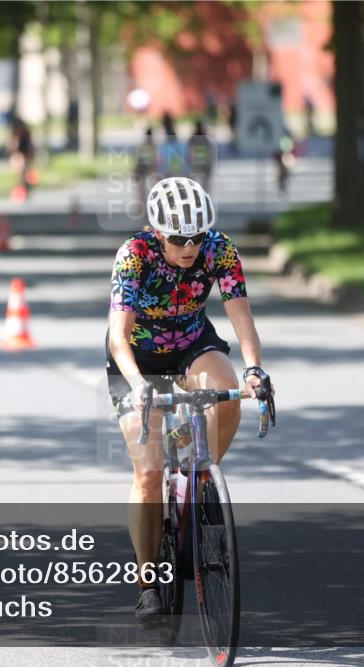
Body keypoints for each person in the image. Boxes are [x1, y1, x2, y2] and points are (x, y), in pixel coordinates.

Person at [106, 177, 273, 623]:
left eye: (197, 237)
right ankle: (147, 584)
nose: (189, 248)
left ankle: (201, 487)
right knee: (148, 471)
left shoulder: (221, 250)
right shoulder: (134, 256)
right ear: (158, 232)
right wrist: (139, 385)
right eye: (179, 239)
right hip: (138, 357)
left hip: (192, 342)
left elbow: (242, 318)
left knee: (229, 394)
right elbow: (118, 338)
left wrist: (255, 368)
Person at [8, 118, 35, 202]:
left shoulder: (26, 134)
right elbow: (12, 147)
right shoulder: (15, 134)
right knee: (19, 174)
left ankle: (24, 189)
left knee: (23, 174)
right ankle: (19, 190)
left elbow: (29, 147)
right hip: (17, 155)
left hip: (24, 155)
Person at [187, 120, 214, 193]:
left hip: (196, 162)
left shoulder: (193, 138)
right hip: (205, 162)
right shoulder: (206, 138)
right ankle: (205, 194)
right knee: (205, 182)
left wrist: (189, 160)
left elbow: (189, 150)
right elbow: (210, 151)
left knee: (194, 181)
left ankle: (196, 194)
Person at [134, 127, 158, 206]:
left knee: (141, 190)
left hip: (142, 168)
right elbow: (154, 159)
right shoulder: (153, 145)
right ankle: (148, 205)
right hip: (149, 168)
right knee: (150, 189)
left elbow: (138, 158)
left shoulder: (143, 145)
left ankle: (142, 205)